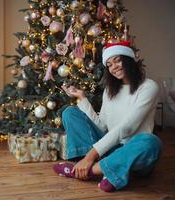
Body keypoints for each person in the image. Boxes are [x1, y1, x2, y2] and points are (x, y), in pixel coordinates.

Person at [53, 41, 162, 192]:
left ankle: (88, 170)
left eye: (118, 60)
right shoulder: (110, 90)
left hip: (132, 152)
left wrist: (90, 157)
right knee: (70, 112)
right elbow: (103, 126)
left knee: (151, 142)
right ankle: (107, 169)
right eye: (109, 64)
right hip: (110, 149)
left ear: (129, 59)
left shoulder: (149, 87)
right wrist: (83, 98)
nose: (114, 67)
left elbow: (127, 128)